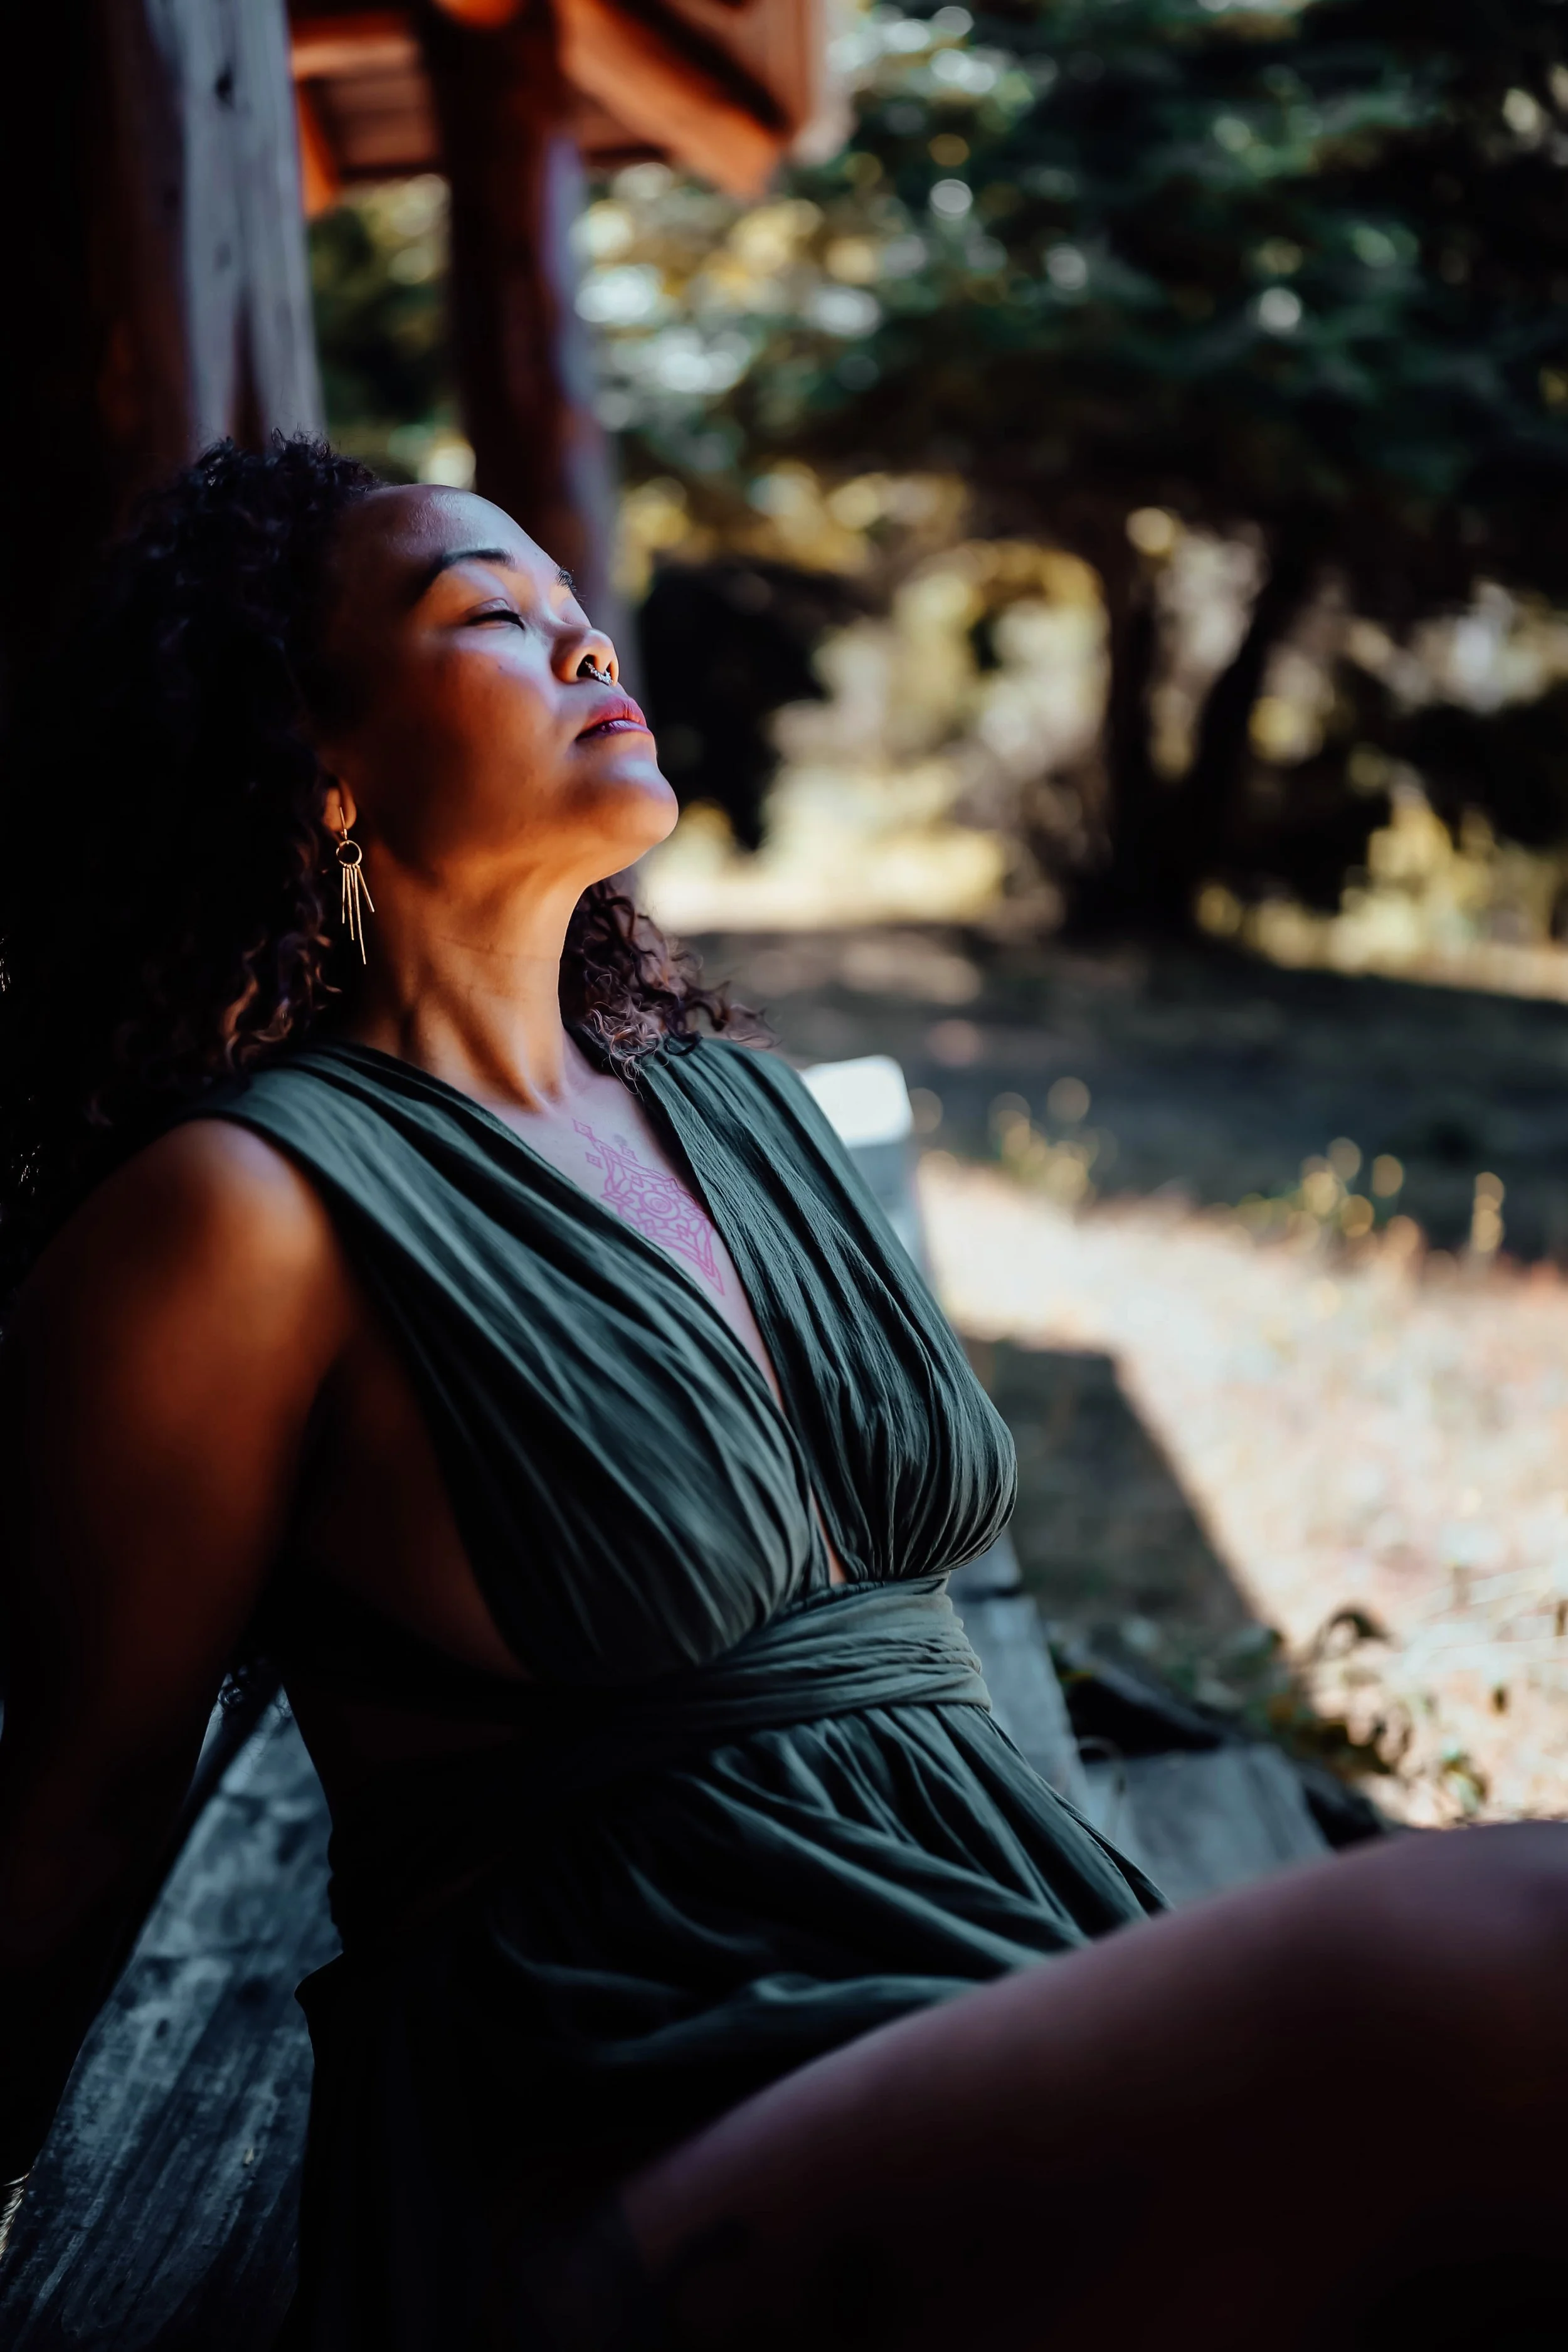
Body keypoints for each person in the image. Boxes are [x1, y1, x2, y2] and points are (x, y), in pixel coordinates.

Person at [0, 437, 1564, 2352]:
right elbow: (70, 1821)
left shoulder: (739, 1105)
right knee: (1506, 1947)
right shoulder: (240, 1214)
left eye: (573, 607)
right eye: (489, 617)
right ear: (316, 766)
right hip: (632, 2101)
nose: (583, 644)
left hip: (1003, 1955)